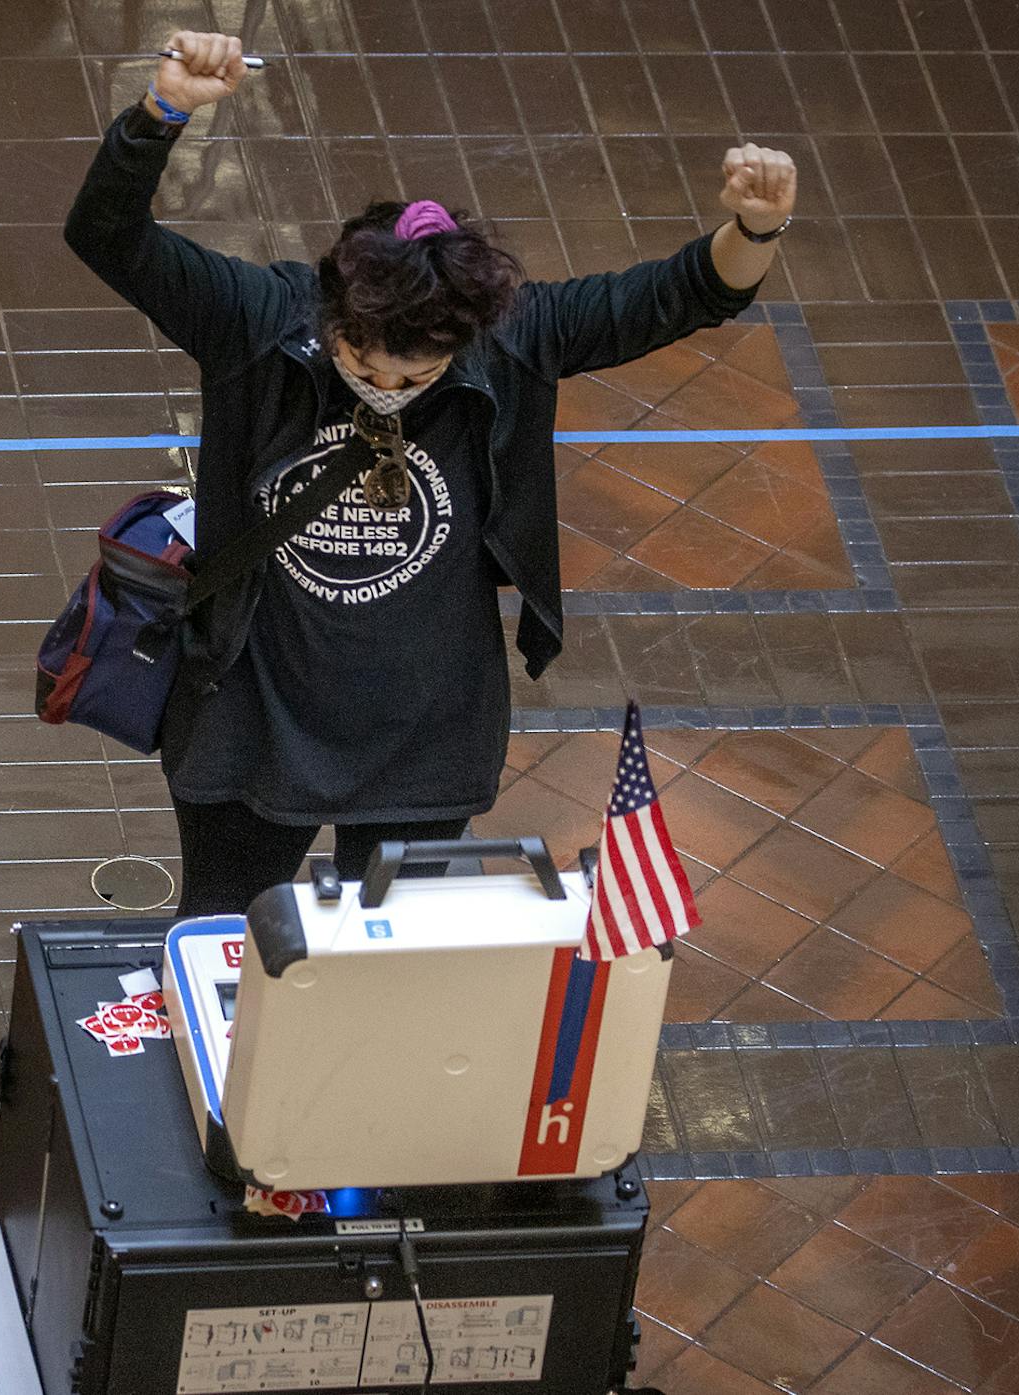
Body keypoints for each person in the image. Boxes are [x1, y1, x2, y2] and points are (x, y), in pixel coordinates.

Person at [66, 32, 798, 915]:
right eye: (361, 365)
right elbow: (105, 232)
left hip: (425, 731)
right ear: (330, 309)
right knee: (222, 942)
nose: (385, 390)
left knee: (390, 965)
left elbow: (682, 294)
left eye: (416, 380)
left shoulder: (515, 338)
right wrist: (164, 110)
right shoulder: (255, 320)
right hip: (255, 716)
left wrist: (756, 227)